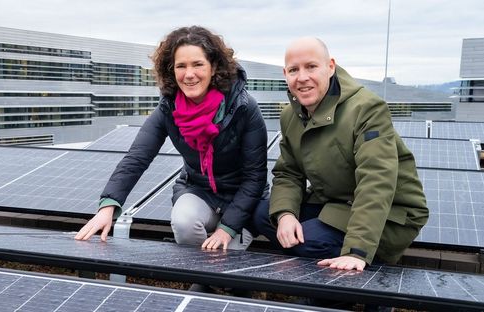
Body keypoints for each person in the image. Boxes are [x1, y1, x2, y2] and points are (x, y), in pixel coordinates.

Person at [75, 26, 267, 251]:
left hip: (241, 195)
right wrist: (108, 207)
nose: (189, 74)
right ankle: (213, 279)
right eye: (181, 66)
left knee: (229, 251)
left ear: (214, 67)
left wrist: (227, 228)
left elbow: (255, 177)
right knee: (184, 223)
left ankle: (221, 276)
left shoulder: (243, 107)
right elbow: (137, 157)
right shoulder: (169, 108)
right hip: (199, 190)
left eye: (198, 64)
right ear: (172, 71)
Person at [255, 37, 429, 271]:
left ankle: (359, 285)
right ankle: (317, 271)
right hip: (335, 202)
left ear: (331, 66)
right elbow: (289, 172)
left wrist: (356, 251)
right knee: (263, 214)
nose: (302, 77)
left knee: (311, 240)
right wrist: (286, 214)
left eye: (311, 66)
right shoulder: (291, 115)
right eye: (294, 70)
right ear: (285, 74)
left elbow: (376, 180)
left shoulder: (366, 108)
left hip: (391, 213)